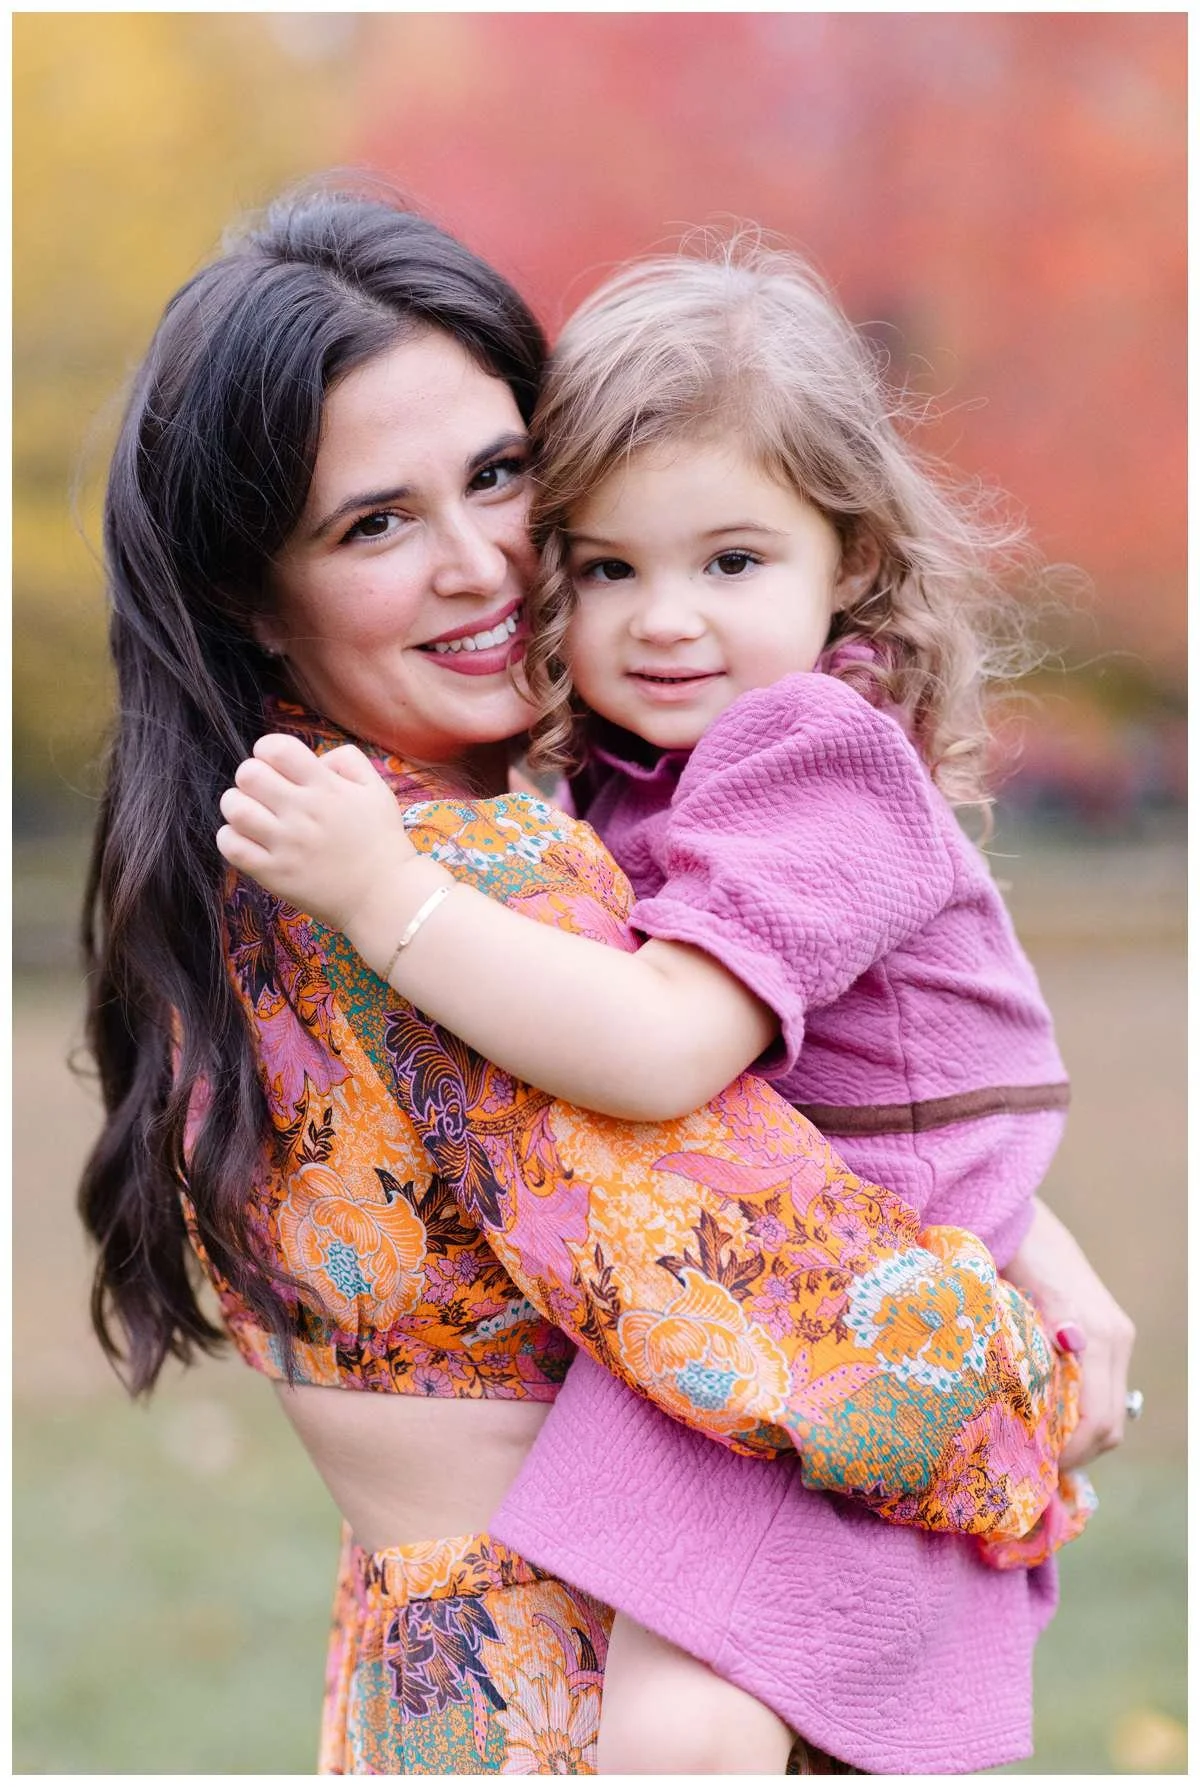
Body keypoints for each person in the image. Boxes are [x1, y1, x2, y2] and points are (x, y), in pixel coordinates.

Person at [79, 183, 1133, 1776]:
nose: (483, 562)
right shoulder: (451, 892)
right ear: (252, 590)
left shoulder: (250, 867)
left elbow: (774, 1093)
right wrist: (1035, 1390)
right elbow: (772, 1302)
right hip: (583, 1678)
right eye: (375, 522)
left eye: (502, 474)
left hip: (424, 1678)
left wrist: (1013, 1206)